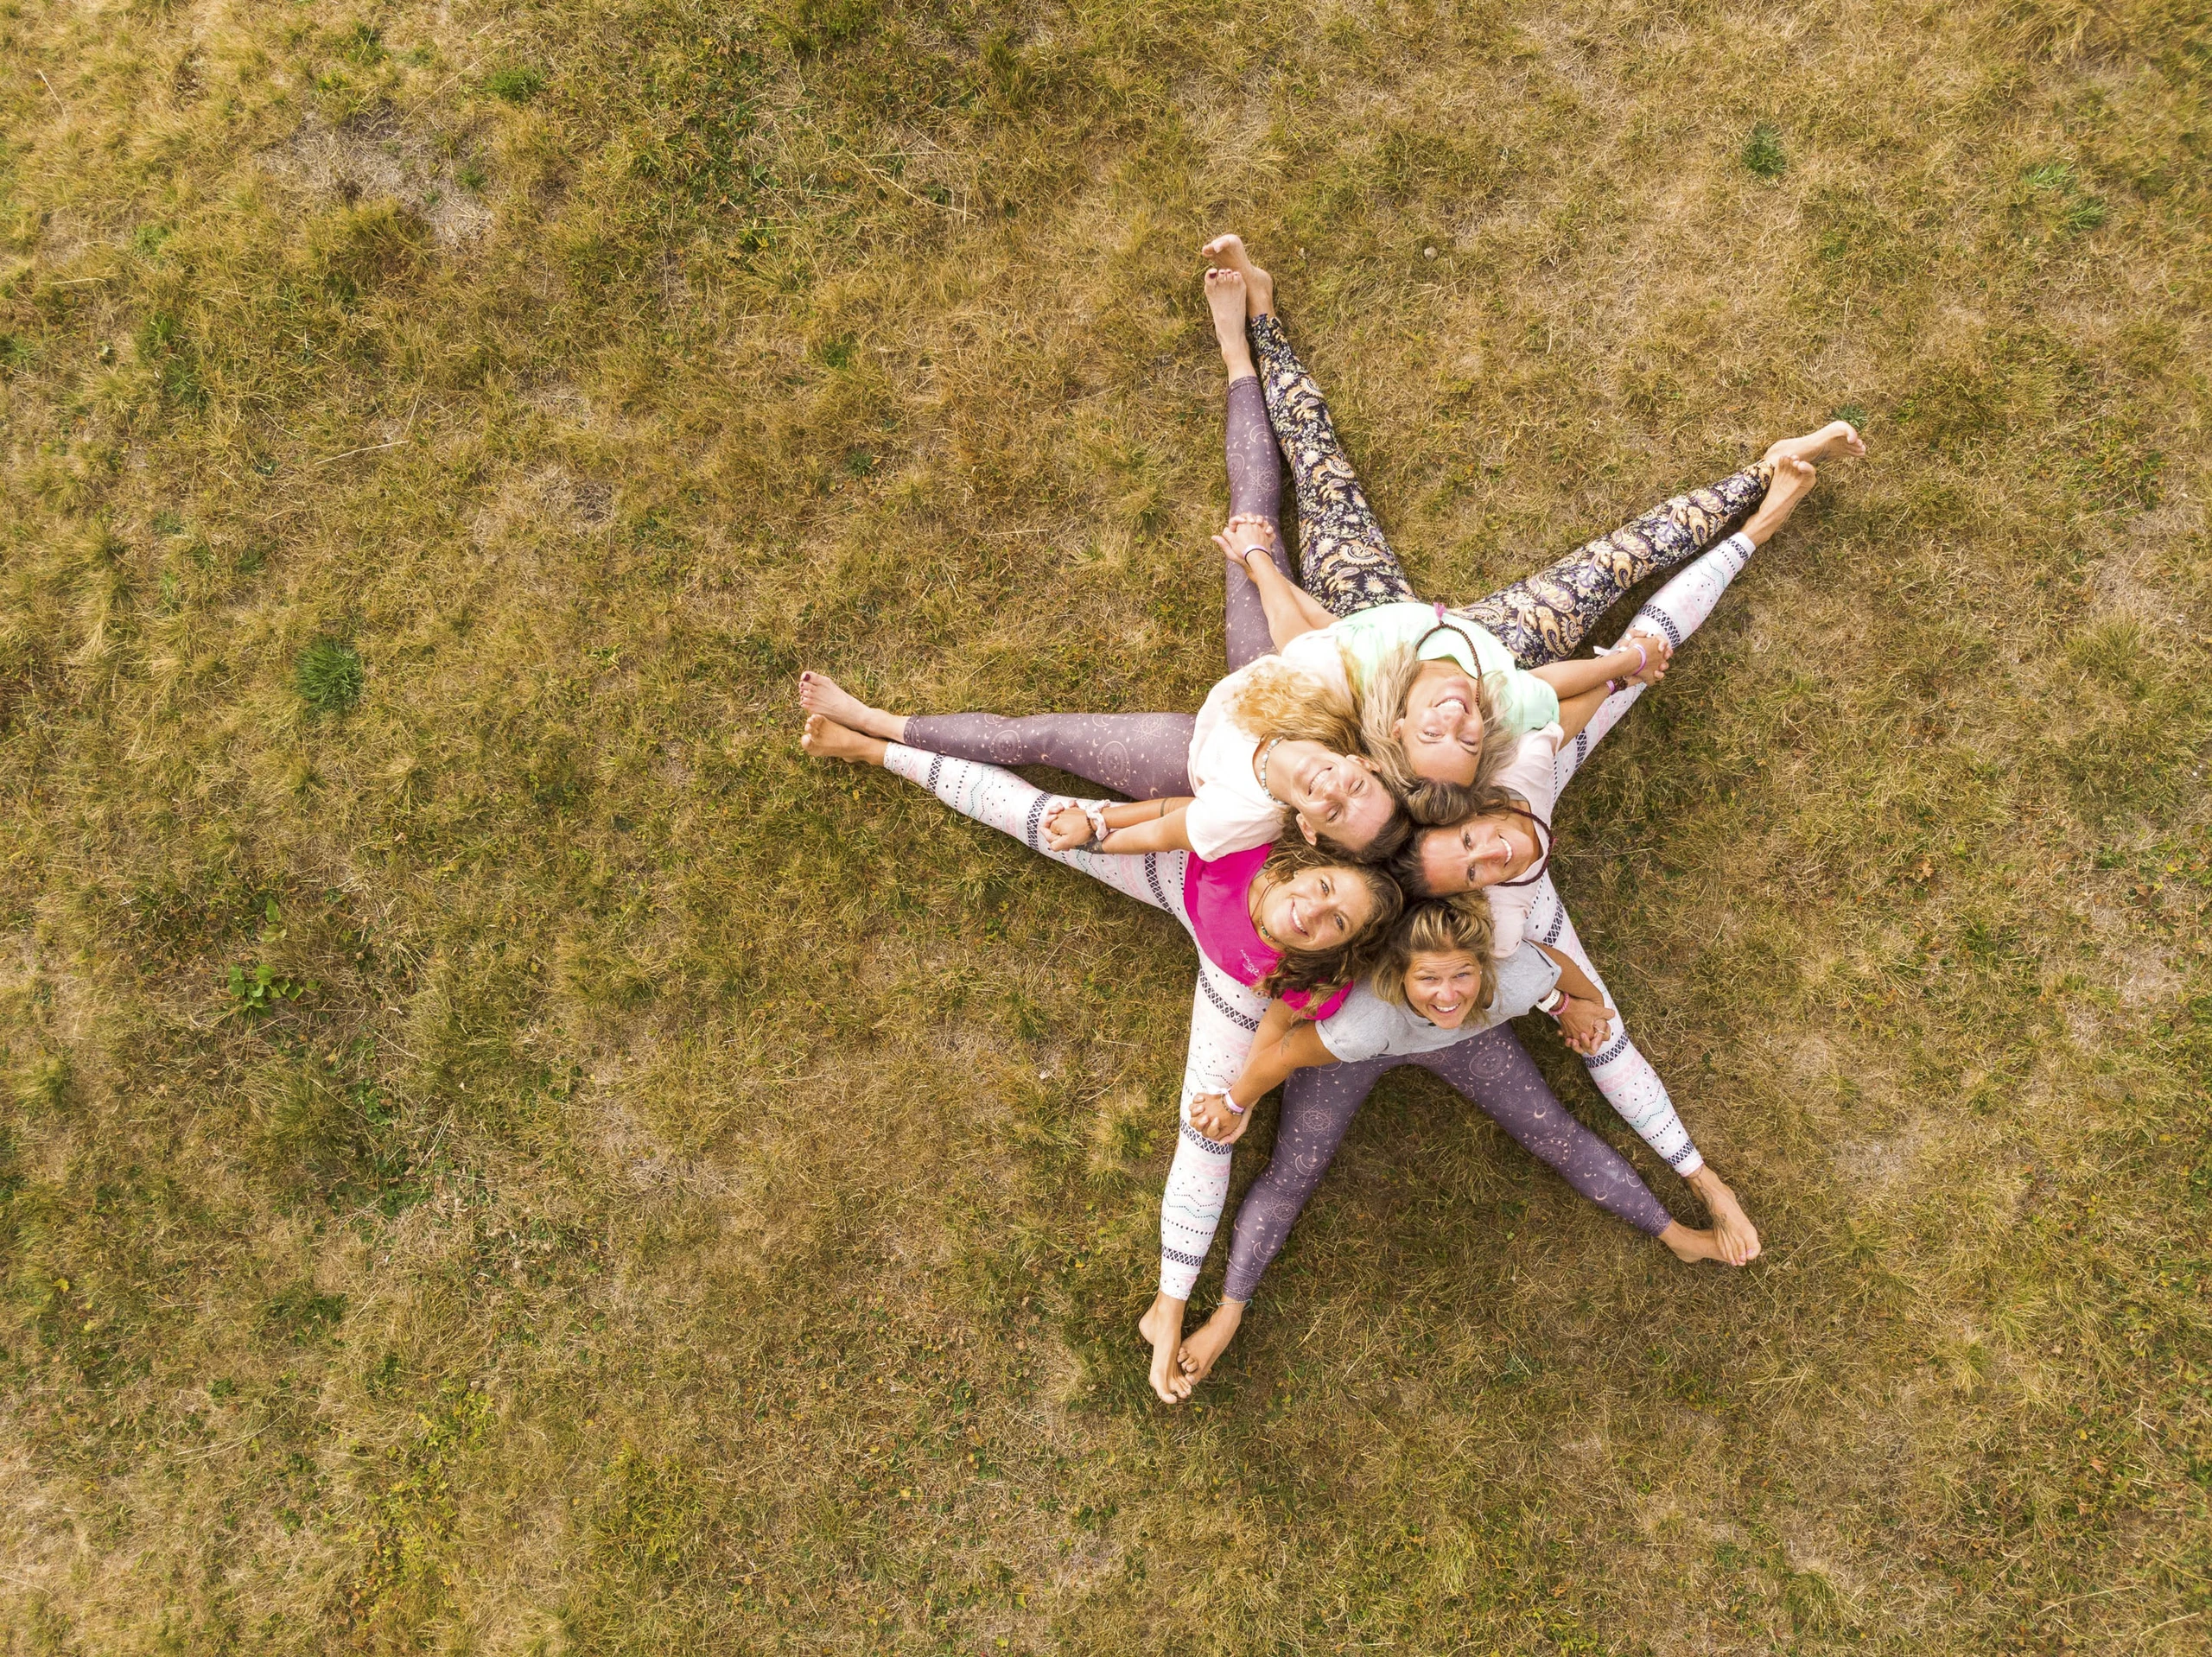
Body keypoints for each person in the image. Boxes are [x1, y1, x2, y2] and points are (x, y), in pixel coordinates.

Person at [798, 715, 1402, 1401]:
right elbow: (1178, 814)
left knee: (1205, 1133)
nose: (1314, 915)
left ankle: (1167, 1308)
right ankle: (878, 750)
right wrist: (1101, 826)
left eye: (1337, 926)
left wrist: (1240, 1101)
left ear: (1338, 950)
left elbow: (1279, 1031)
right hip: (1183, 874)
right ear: (1313, 861)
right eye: (1324, 891)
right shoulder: (1252, 839)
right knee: (1035, 819)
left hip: (1229, 976)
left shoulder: (1303, 970)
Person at [1198, 231, 1863, 797]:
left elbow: (1301, 632)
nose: (1456, 716)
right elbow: (1552, 684)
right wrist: (1625, 662)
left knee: (1321, 473)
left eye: (1436, 731)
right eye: (1466, 736)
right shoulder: (1499, 703)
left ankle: (1260, 315)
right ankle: (1766, 471)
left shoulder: (1361, 675)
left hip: (1370, 614)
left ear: (1398, 726)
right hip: (1499, 639)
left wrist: (1259, 562)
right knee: (1621, 557)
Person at [1167, 898, 1758, 1384]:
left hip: (1470, 1042)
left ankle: (1680, 1237)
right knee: (1293, 1175)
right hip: (1359, 1056)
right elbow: (1284, 1050)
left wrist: (1582, 1006)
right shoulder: (1359, 1024)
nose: (1448, 995)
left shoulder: (1509, 979)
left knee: (1555, 1133)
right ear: (1400, 976)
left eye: (1462, 975)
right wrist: (1238, 1101)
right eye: (1429, 978)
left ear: (1485, 968)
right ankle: (1227, 1313)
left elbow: (1556, 965)